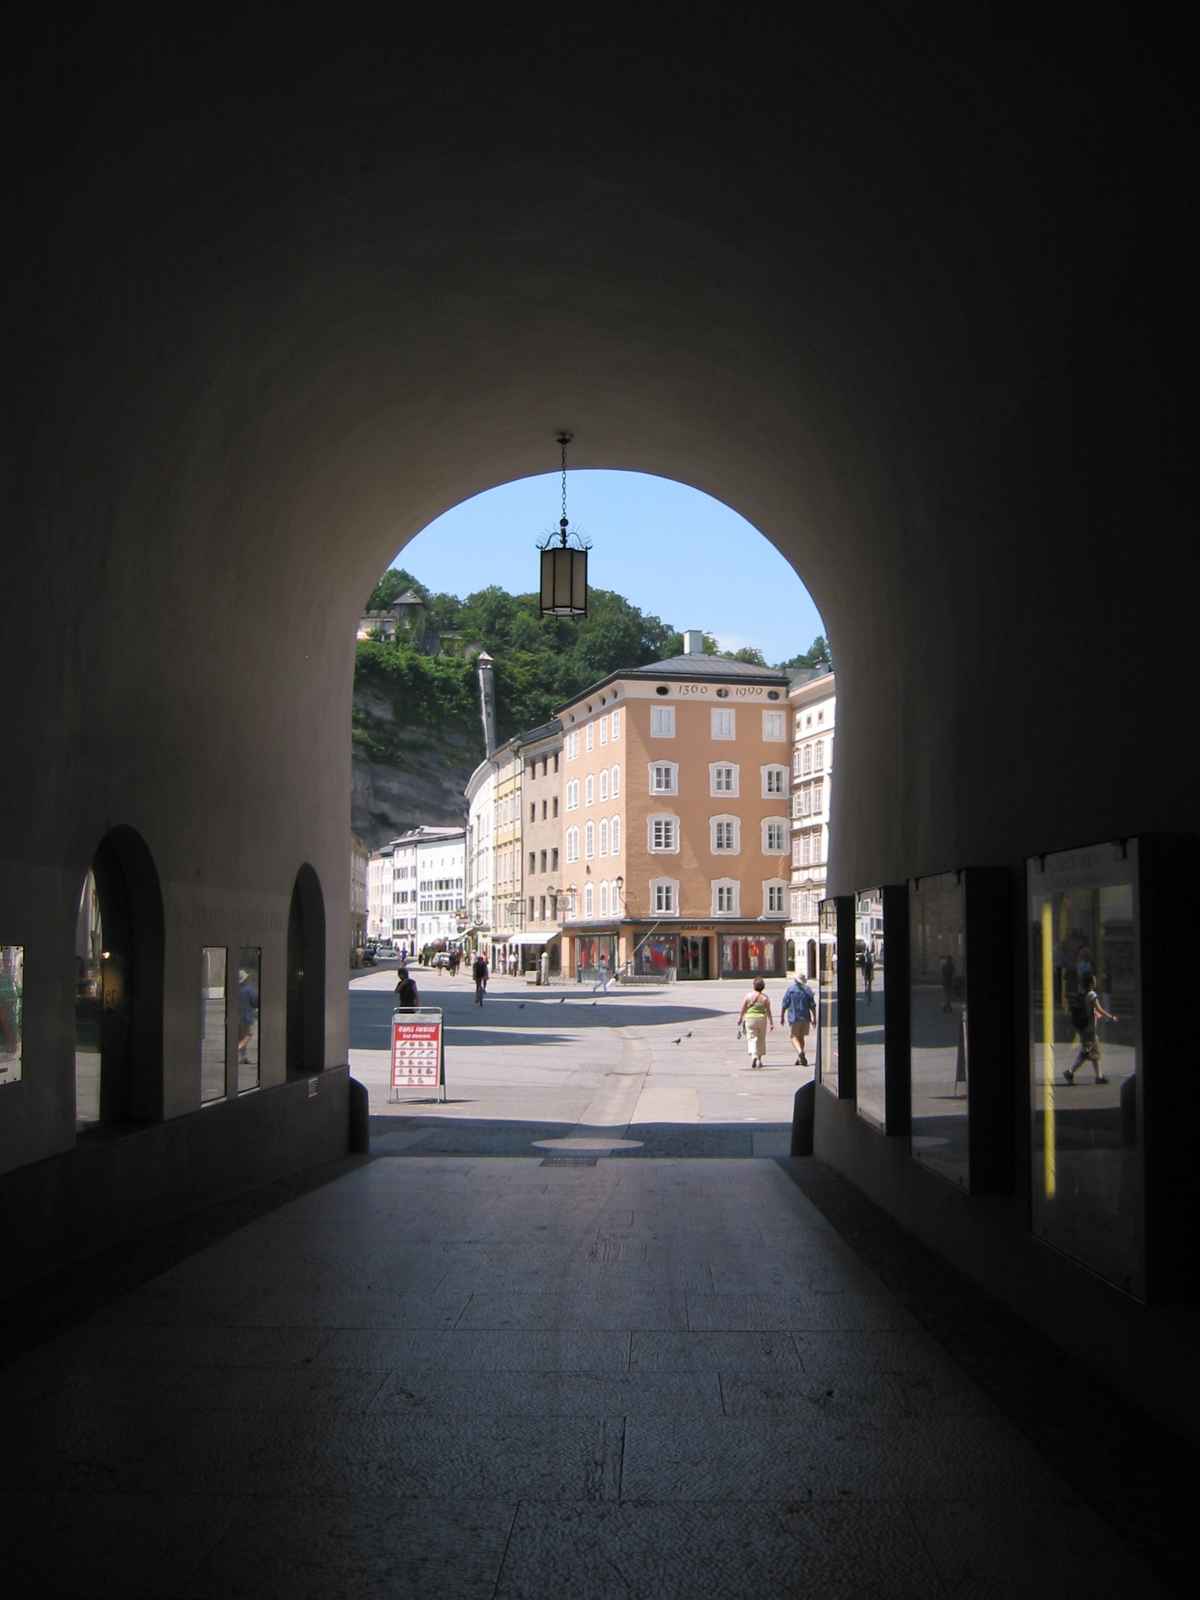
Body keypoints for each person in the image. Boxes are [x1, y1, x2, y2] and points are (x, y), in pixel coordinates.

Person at [1065, 982, 1118, 1085]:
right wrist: (1111, 1016)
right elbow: (1099, 1009)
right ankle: (1070, 1072)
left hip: (1083, 1027)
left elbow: (1089, 1009)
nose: (1095, 982)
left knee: (1095, 1052)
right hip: (1089, 1029)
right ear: (1090, 984)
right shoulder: (1092, 994)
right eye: (1093, 981)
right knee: (1086, 1052)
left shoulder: (1082, 993)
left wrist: (1095, 1014)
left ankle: (1099, 1077)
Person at [780, 972, 816, 1066]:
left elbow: (785, 1004)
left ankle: (800, 1052)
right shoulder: (808, 990)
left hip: (794, 1017)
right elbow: (812, 1006)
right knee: (801, 1037)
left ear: (795, 980)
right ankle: (799, 1057)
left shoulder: (791, 990)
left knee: (793, 1036)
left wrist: (782, 1016)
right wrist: (814, 1018)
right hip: (805, 1017)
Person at [738, 977, 774, 1069]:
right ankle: (759, 1059)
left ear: (754, 986)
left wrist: (740, 1018)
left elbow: (743, 1008)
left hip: (750, 1019)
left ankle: (754, 1055)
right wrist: (771, 1023)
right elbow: (768, 1011)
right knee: (761, 1039)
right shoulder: (765, 998)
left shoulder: (748, 996)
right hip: (762, 1019)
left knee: (751, 1038)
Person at [237, 965, 259, 1064]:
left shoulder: (236, 990)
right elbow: (255, 1002)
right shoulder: (249, 989)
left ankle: (243, 1057)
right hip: (248, 1017)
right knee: (249, 1035)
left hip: (237, 1017)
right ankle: (238, 1049)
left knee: (241, 1037)